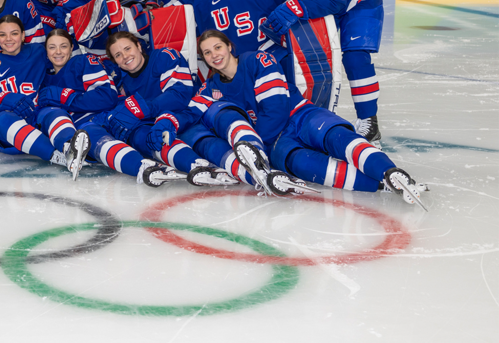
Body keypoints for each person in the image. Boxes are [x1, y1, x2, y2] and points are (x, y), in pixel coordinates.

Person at [158, 30, 427, 209]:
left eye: (218, 46)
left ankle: (390, 171)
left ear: (230, 46)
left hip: (297, 116)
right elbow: (191, 112)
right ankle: (381, 184)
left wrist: (256, 147)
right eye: (207, 52)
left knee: (336, 137)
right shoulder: (210, 88)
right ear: (203, 58)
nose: (214, 54)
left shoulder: (257, 60)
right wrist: (168, 122)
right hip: (276, 141)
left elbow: (275, 108)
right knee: (309, 167)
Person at [264, 0, 384, 146]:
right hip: (331, 1)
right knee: (299, 54)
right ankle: (302, 115)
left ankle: (370, 123)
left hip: (360, 0)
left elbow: (336, 0)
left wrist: (296, 6)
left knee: (355, 58)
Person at [28, 29, 180, 184]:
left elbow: (106, 97)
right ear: (46, 51)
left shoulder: (82, 61)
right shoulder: (44, 79)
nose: (58, 52)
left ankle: (194, 164)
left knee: (146, 137)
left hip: (113, 115)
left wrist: (65, 96)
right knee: (100, 141)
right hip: (88, 126)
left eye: (64, 46)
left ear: (71, 48)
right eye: (52, 47)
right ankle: (143, 167)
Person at [101, 31, 234, 185]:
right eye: (118, 55)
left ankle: (237, 165)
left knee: (200, 141)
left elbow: (179, 95)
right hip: (163, 123)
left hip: (190, 116)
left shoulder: (164, 56)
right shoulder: (124, 81)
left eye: (127, 49)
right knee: (143, 138)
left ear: (138, 46)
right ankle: (192, 164)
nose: (124, 56)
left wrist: (144, 109)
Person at [0, 16, 88, 177]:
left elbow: (64, 56)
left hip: (37, 116)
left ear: (23, 35)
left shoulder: (38, 52)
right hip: (7, 129)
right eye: (2, 35)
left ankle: (69, 148)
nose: (8, 39)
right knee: (3, 120)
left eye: (14, 33)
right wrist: (4, 99)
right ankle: (60, 157)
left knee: (55, 112)